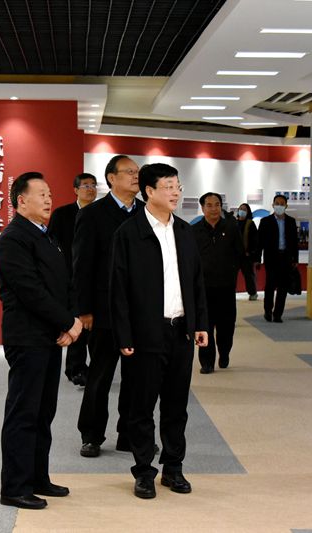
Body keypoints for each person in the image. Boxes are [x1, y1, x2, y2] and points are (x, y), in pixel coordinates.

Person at [110, 162, 208, 499]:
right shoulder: (129, 233)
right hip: (144, 334)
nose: (175, 193)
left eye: (178, 186)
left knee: (176, 405)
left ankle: (173, 468)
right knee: (141, 406)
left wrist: (200, 323)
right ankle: (143, 471)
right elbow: (118, 290)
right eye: (168, 187)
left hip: (181, 331)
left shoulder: (185, 231)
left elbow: (197, 282)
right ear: (149, 191)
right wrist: (123, 335)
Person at [0, 172, 83, 510]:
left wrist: (69, 321)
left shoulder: (46, 235)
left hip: (49, 337)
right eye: (41, 194)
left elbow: (64, 283)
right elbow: (30, 291)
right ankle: (14, 486)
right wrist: (68, 322)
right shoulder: (14, 238)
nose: (49, 199)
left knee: (44, 411)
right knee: (24, 412)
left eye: (49, 193)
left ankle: (37, 477)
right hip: (27, 337)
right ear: (21, 201)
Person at [73, 155, 144, 458]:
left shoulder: (146, 212)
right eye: (129, 172)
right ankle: (91, 435)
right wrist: (84, 309)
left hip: (139, 311)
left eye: (137, 172)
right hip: (103, 311)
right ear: (112, 178)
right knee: (100, 375)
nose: (136, 176)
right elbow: (82, 265)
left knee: (136, 378)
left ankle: (128, 435)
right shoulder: (93, 214)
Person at [48, 172, 98, 386]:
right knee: (76, 322)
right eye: (86, 185)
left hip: (96, 279)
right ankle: (75, 369)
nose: (90, 189)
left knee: (96, 327)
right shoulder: (62, 214)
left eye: (93, 185)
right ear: (76, 190)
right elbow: (52, 245)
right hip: (70, 278)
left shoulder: (101, 213)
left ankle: (95, 368)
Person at [193, 193, 243, 374]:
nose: (213, 209)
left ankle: (224, 352)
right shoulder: (194, 231)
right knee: (203, 326)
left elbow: (239, 254)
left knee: (226, 327)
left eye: (217, 205)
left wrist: (231, 272)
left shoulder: (231, 228)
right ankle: (206, 362)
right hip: (203, 289)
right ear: (202, 208)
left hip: (225, 288)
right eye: (209, 205)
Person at [257, 194, 299, 323]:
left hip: (286, 257)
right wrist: (258, 258)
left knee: (283, 287)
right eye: (277, 203)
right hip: (271, 257)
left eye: (282, 204)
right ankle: (268, 311)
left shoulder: (291, 221)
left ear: (286, 206)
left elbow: (294, 242)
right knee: (270, 285)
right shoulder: (265, 221)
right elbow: (259, 241)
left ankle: (278, 314)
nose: (279, 206)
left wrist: (295, 259)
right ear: (273, 205)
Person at [236, 203, 259, 301]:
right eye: (240, 209)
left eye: (244, 209)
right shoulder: (234, 223)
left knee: (249, 275)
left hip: (246, 255)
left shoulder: (250, 224)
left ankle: (253, 293)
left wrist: (250, 252)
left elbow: (255, 240)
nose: (242, 211)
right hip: (235, 255)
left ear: (248, 212)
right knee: (231, 276)